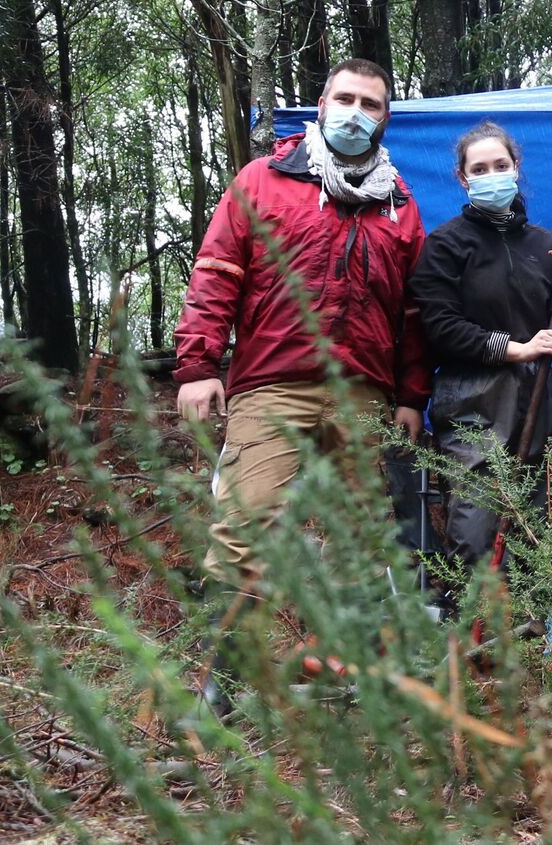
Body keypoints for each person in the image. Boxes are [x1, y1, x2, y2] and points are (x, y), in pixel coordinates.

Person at [174, 57, 430, 594]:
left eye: (370, 105)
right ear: (322, 106)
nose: (355, 114)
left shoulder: (399, 204)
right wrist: (197, 366)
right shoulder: (261, 181)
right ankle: (232, 671)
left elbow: (412, 311)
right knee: (244, 531)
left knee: (360, 540)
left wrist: (411, 395)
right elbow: (217, 274)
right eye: (345, 100)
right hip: (271, 386)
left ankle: (346, 671)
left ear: (384, 119)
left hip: (362, 394)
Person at [407, 120, 552, 576]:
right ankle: (480, 631)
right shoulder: (446, 245)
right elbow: (440, 325)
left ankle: (538, 635)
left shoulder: (542, 244)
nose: (492, 175)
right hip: (472, 398)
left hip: (536, 395)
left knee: (537, 521)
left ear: (516, 168)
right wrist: (514, 348)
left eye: (501, 165)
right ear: (463, 178)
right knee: (476, 521)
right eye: (480, 168)